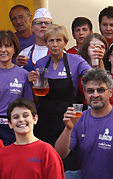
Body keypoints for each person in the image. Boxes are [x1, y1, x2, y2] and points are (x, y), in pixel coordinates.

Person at [0, 99, 65, 179]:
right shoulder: (2, 154)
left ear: (35, 119)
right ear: (9, 124)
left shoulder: (47, 151)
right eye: (15, 117)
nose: (21, 120)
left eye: (25, 115)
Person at [30, 24, 90, 164]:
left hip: (68, 119)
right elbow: (36, 99)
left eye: (59, 40)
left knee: (67, 161)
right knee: (44, 160)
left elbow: (93, 77)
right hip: (45, 120)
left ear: (66, 43)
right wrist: (32, 83)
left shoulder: (76, 61)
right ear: (46, 43)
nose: (55, 44)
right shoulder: (41, 63)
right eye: (51, 41)